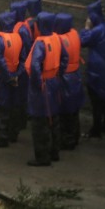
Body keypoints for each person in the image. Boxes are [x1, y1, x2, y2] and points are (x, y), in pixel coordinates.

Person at [24, 11, 67, 166]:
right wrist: (58, 73)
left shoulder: (40, 43)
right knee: (54, 119)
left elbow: (35, 66)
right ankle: (54, 152)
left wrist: (37, 83)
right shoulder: (57, 38)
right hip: (54, 82)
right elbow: (65, 58)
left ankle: (42, 157)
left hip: (43, 85)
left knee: (40, 122)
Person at [79, 0, 105, 138]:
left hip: (97, 71)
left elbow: (82, 41)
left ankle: (96, 130)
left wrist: (86, 27)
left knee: (96, 101)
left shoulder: (96, 31)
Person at [0, 10, 24, 148]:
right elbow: (23, 59)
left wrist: (8, 77)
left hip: (2, 78)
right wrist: (16, 76)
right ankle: (13, 134)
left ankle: (2, 137)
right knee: (13, 105)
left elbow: (0, 61)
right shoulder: (18, 37)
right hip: (15, 77)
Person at [54, 12, 85, 150]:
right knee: (73, 110)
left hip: (64, 77)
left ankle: (66, 140)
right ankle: (74, 137)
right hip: (76, 76)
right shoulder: (75, 34)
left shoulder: (59, 40)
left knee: (63, 111)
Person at [9, 0, 34, 138]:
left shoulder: (21, 29)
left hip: (21, 67)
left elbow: (24, 48)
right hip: (22, 65)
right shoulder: (23, 26)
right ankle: (21, 121)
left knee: (19, 96)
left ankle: (18, 125)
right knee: (21, 95)